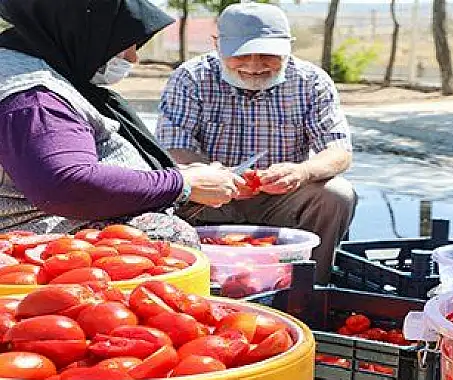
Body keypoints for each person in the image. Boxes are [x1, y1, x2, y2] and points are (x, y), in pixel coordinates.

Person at [0, 0, 240, 246]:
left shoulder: (40, 65)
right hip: (39, 244)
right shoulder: (34, 100)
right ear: (86, 33)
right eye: (124, 46)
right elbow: (69, 184)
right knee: (167, 238)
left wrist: (177, 176)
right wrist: (181, 184)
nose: (134, 58)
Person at [156, 3, 357, 283]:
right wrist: (213, 176)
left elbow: (338, 151)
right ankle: (183, 278)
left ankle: (310, 288)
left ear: (288, 48)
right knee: (161, 189)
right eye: (240, 55)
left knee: (336, 194)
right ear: (217, 45)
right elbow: (173, 148)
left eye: (267, 55)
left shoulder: (311, 81)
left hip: (280, 197)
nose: (253, 65)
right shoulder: (190, 78)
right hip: (210, 196)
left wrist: (302, 172)